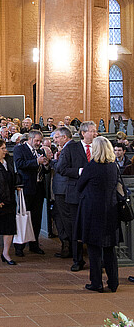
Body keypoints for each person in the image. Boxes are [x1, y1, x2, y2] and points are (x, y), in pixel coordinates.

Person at [75, 136, 121, 292]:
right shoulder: (113, 166)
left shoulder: (92, 166)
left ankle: (96, 283)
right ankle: (113, 283)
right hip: (111, 211)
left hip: (94, 212)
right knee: (110, 249)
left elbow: (79, 186)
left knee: (94, 249)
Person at [55, 120, 98, 271]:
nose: (95, 133)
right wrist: (80, 172)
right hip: (76, 193)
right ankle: (77, 260)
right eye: (92, 131)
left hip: (95, 194)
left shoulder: (99, 146)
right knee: (76, 228)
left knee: (95, 227)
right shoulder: (72, 148)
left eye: (95, 131)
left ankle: (98, 261)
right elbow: (61, 168)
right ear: (83, 133)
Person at [13, 129, 51, 256]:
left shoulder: (40, 151)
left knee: (36, 217)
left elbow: (44, 171)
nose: (39, 143)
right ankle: (19, 246)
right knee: (24, 216)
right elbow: (19, 164)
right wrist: (36, 162)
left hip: (38, 188)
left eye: (40, 141)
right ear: (30, 139)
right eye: (37, 141)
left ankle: (34, 244)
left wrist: (46, 164)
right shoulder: (20, 149)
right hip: (26, 188)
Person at [51, 126, 73, 258]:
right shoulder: (68, 148)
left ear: (64, 137)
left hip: (63, 188)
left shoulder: (69, 148)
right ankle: (67, 244)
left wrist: (53, 160)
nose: (56, 141)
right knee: (59, 215)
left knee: (64, 217)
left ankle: (69, 245)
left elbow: (61, 168)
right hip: (64, 188)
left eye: (57, 138)